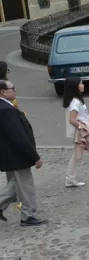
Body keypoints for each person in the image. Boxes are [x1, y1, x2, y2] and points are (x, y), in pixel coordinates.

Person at [0, 80, 45, 226]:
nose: (15, 90)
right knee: (25, 186)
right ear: (3, 92)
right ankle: (28, 215)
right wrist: (34, 156)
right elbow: (18, 136)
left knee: (15, 184)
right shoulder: (5, 110)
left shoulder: (5, 106)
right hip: (16, 155)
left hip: (11, 155)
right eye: (12, 88)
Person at [61, 77, 89, 188]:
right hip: (82, 132)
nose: (83, 85)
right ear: (75, 87)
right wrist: (84, 127)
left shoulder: (74, 101)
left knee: (83, 154)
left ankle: (70, 179)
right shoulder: (76, 102)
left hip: (81, 132)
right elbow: (72, 119)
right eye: (81, 84)